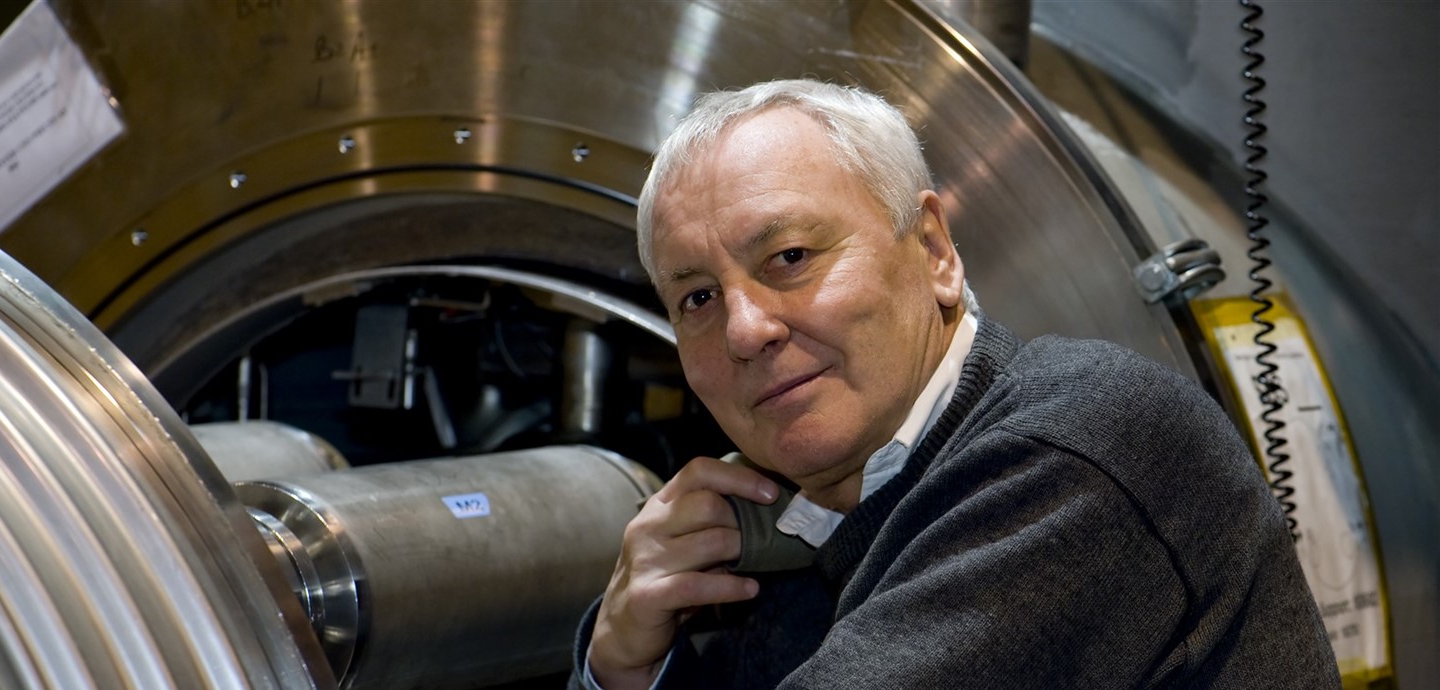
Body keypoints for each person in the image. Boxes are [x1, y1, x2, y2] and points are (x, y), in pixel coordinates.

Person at [572, 79, 1339, 689]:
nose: (745, 330)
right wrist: (623, 667)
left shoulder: (1081, 449)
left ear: (935, 251)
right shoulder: (778, 532)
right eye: (697, 299)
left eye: (791, 258)